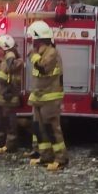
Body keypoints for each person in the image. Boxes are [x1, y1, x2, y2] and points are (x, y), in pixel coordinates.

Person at [27, 20, 68, 171]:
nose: (32, 41)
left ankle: (61, 159)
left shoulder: (51, 52)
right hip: (39, 98)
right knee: (39, 128)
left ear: (39, 38)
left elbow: (44, 67)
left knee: (52, 129)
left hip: (50, 98)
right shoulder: (40, 52)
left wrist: (34, 57)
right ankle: (45, 156)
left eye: (33, 38)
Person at [0, 34, 23, 153]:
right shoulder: (3, 61)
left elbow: (11, 68)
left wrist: (10, 54)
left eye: (0, 49)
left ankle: (10, 146)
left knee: (9, 124)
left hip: (9, 98)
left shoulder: (17, 62)